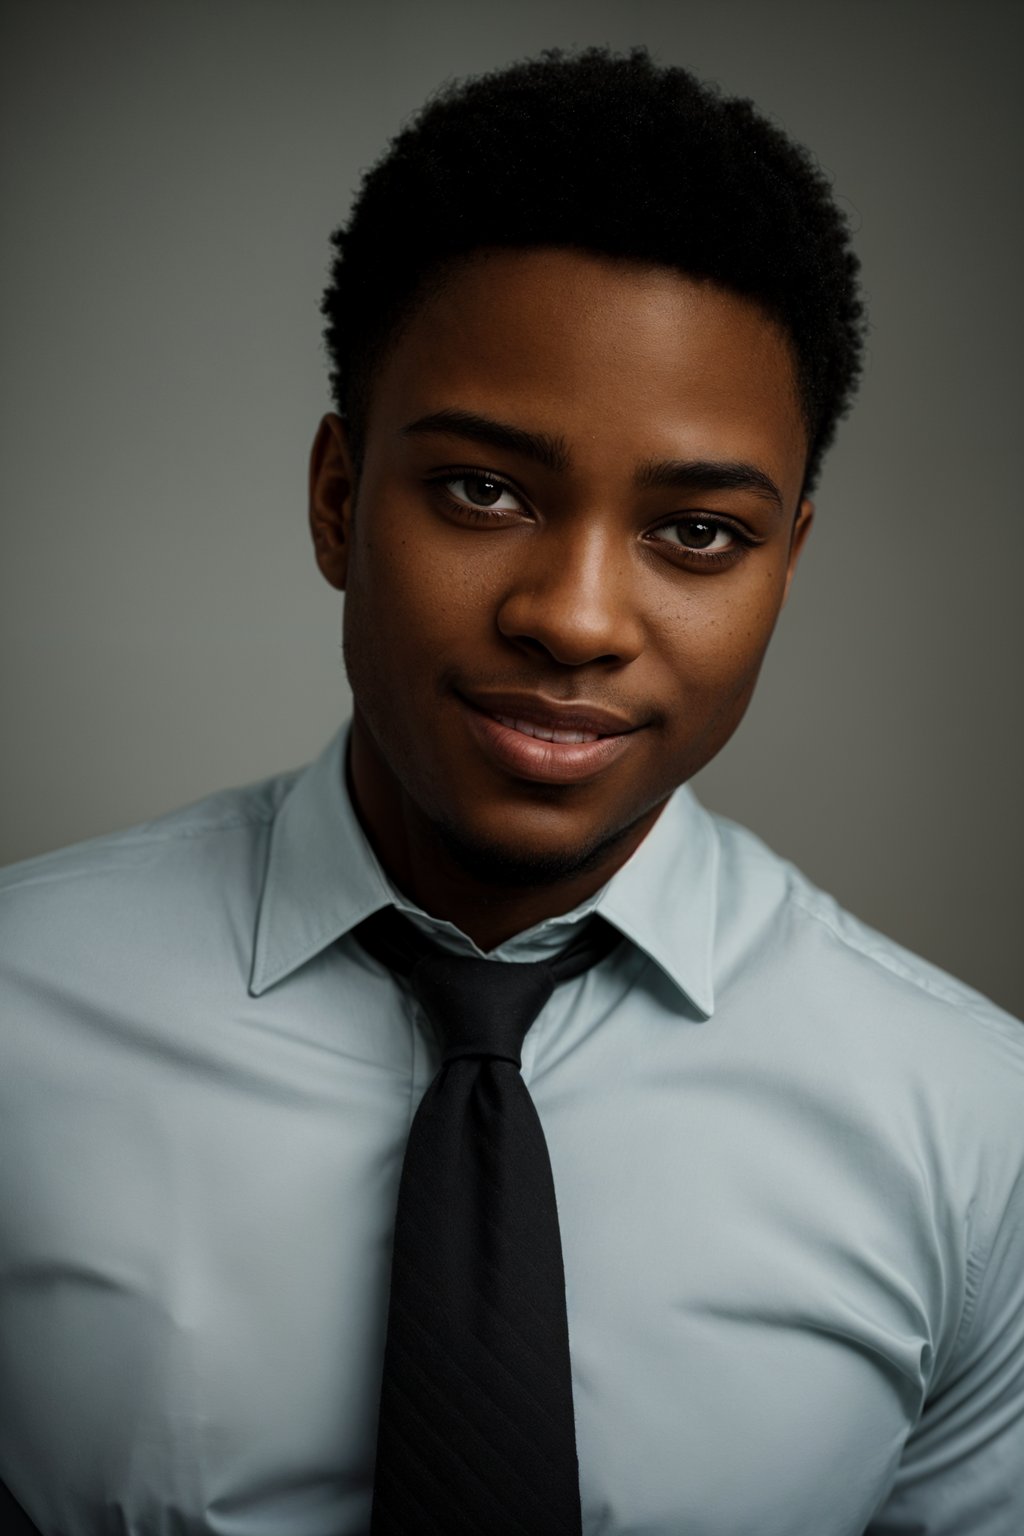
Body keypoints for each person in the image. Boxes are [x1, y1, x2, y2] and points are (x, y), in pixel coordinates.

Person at [1, 44, 1021, 1536]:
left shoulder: (977, 1127)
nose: (577, 616)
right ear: (339, 499)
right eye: (484, 491)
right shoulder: (18, 1012)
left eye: (697, 533)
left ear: (790, 562)